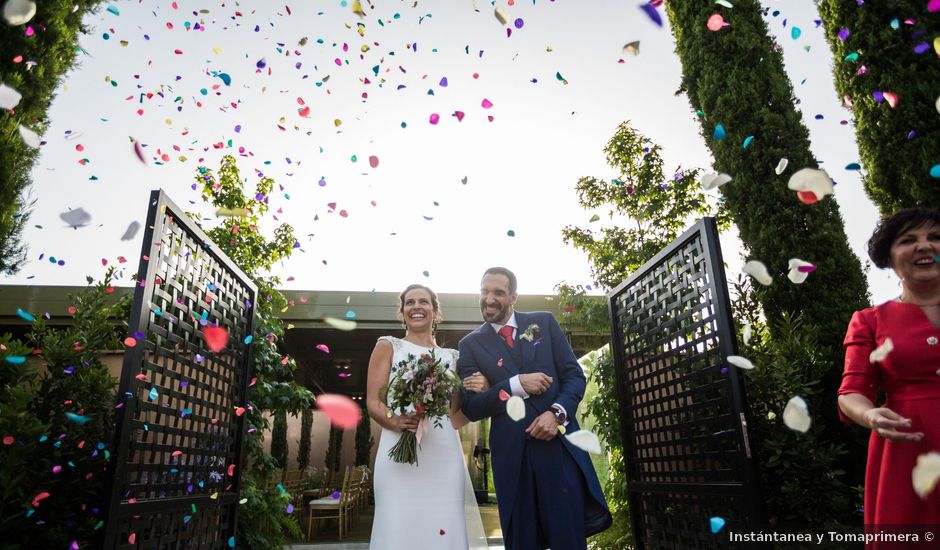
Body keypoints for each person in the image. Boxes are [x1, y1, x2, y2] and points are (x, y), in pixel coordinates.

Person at [458, 267, 612, 549]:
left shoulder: (543, 322)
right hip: (511, 459)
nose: (489, 299)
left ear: (513, 297)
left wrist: (556, 414)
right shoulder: (469, 345)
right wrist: (515, 384)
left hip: (558, 452)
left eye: (498, 293)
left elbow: (574, 376)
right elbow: (472, 407)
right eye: (484, 291)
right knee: (522, 542)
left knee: (568, 538)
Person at [838, 207, 940, 537]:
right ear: (890, 258)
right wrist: (870, 417)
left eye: (936, 237)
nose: (925, 246)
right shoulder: (870, 320)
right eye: (909, 240)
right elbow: (852, 392)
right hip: (908, 446)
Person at [366, 284, 489, 550]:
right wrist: (395, 420)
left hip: (443, 456)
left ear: (435, 311)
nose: (416, 307)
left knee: (443, 525)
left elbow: (454, 414)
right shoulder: (388, 346)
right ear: (402, 312)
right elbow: (374, 402)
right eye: (409, 303)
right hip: (397, 456)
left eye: (423, 302)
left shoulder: (454, 357)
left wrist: (480, 389)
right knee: (398, 524)